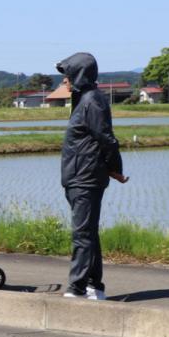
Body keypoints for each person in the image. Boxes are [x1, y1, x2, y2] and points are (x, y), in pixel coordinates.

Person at [57, 52, 126, 300]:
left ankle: (77, 287)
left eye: (67, 75)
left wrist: (115, 168)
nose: (64, 80)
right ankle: (94, 286)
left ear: (79, 75)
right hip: (78, 175)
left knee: (82, 234)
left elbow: (106, 138)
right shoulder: (83, 98)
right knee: (88, 232)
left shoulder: (91, 101)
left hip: (86, 177)